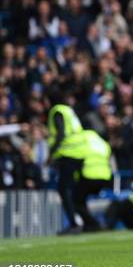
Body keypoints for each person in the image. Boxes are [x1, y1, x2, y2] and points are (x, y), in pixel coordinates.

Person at [47, 99, 87, 235]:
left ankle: (74, 223)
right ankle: (81, 222)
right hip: (80, 153)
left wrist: (51, 153)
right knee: (72, 189)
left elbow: (61, 134)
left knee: (64, 189)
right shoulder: (69, 111)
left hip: (68, 154)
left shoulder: (58, 111)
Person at [69, 130, 113, 232]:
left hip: (89, 174)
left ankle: (94, 224)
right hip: (105, 176)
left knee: (75, 200)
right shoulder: (103, 143)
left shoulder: (82, 138)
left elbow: (77, 156)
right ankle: (89, 225)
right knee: (81, 200)